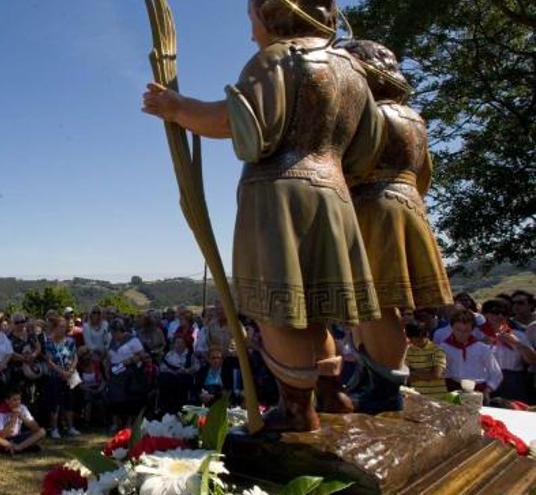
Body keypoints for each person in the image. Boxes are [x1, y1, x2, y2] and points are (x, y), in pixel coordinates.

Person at [143, 0, 384, 431]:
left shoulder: (274, 60)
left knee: (283, 310)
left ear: (273, 16)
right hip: (335, 196)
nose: (251, 32)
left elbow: (239, 126)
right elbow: (367, 150)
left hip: (279, 198)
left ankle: (296, 411)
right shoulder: (353, 72)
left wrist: (176, 107)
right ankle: (330, 394)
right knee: (317, 310)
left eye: (252, 19)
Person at [339, 39, 454, 414]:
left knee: (375, 305)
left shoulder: (367, 116)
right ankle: (373, 378)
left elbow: (346, 164)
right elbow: (425, 174)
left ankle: (385, 385)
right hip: (406, 203)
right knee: (368, 305)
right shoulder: (413, 118)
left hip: (372, 208)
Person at [439, 309, 503, 399]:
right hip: (452, 389)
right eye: (458, 330)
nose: (462, 334)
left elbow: (496, 373)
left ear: (472, 330)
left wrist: (488, 389)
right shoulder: (443, 348)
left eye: (466, 330)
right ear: (451, 327)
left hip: (478, 390)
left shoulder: (482, 348)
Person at [481, 299, 535, 403]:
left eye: (504, 313)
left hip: (513, 380)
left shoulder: (518, 335)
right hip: (486, 379)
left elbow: (532, 360)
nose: (500, 316)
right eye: (495, 312)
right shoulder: (477, 335)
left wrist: (516, 343)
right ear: (485, 314)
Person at [105, 319, 147, 432]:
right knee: (113, 398)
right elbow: (108, 356)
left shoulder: (133, 340)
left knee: (128, 399)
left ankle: (128, 423)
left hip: (129, 372)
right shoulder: (111, 341)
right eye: (112, 332)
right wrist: (107, 370)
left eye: (115, 332)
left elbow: (142, 355)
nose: (113, 334)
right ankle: (115, 422)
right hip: (115, 371)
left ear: (121, 330)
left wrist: (132, 360)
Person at [43, 316, 80, 439]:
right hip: (55, 376)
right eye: (60, 327)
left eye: (64, 327)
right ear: (55, 328)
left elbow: (75, 357)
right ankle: (54, 428)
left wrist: (70, 371)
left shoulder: (70, 341)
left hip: (70, 375)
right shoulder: (49, 342)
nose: (62, 329)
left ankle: (70, 427)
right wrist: (61, 372)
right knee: (55, 403)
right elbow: (49, 361)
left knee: (70, 401)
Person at [0, 388, 46, 455]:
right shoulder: (1, 413)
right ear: (7, 401)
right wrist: (13, 418)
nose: (18, 402)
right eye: (14, 400)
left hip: (18, 437)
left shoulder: (22, 408)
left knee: (42, 431)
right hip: (5, 440)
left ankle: (18, 448)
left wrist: (21, 416)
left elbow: (36, 428)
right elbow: (1, 435)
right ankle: (21, 447)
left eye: (19, 399)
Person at [404, 322, 447, 399]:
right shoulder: (407, 352)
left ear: (426, 335)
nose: (418, 341)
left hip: (438, 397)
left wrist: (413, 371)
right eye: (414, 339)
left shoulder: (437, 350)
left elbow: (436, 375)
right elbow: (406, 378)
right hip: (418, 398)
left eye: (420, 338)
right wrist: (427, 374)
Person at [159, 334, 200, 414]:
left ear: (185, 344)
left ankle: (180, 407)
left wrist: (187, 370)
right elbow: (162, 367)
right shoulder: (169, 355)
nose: (179, 345)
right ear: (174, 344)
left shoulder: (190, 355)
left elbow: (197, 366)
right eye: (177, 343)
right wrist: (171, 371)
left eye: (181, 343)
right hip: (171, 376)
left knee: (183, 379)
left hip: (184, 376)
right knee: (164, 378)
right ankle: (165, 408)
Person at [76, 346, 105, 427]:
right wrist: (89, 389)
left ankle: (103, 421)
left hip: (98, 387)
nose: (87, 357)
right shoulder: (78, 367)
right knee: (87, 398)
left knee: (102, 398)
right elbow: (78, 384)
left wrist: (99, 389)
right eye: (85, 355)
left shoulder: (97, 364)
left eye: (88, 355)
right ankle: (87, 422)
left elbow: (103, 381)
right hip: (84, 389)